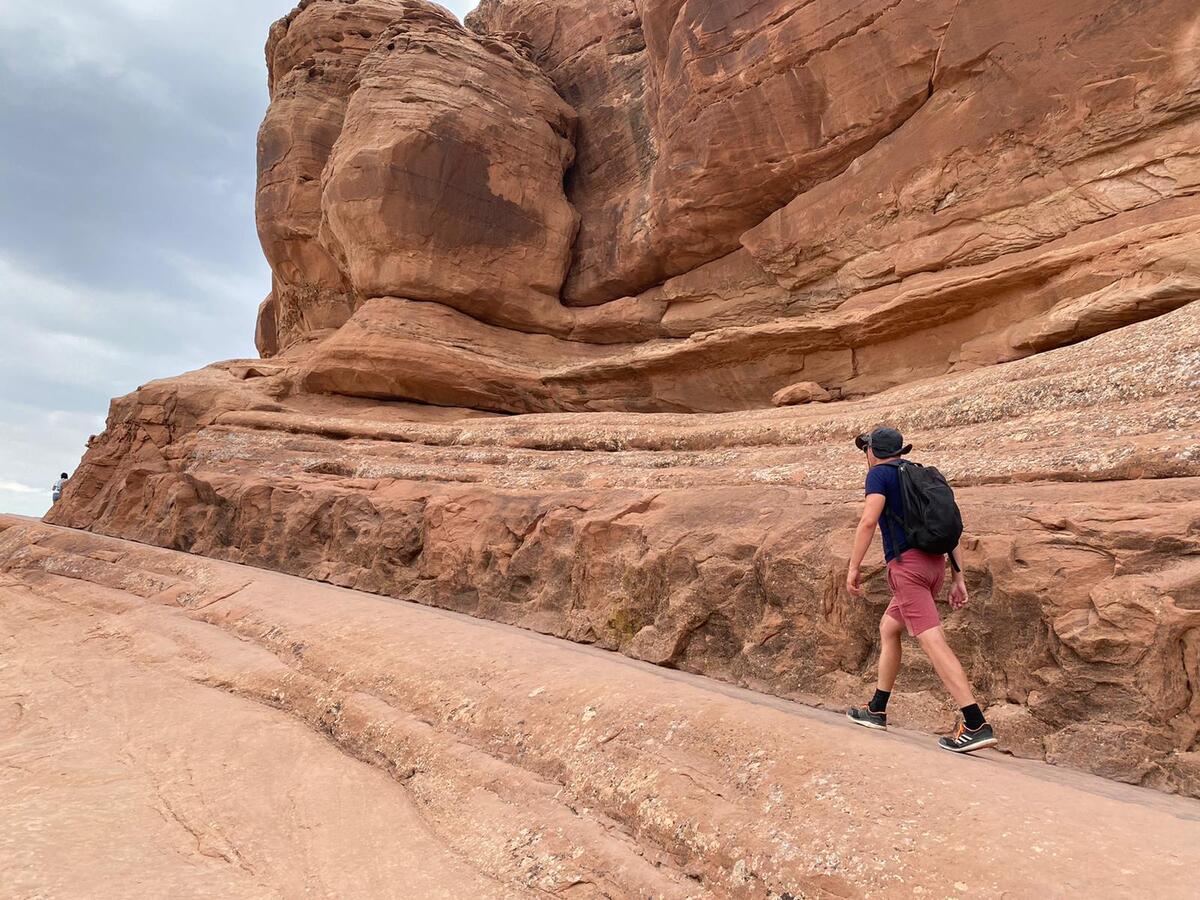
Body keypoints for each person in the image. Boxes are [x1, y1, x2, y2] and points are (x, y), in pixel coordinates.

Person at [844, 427, 997, 753]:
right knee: (889, 627)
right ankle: (877, 709)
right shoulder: (920, 475)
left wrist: (854, 567)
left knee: (933, 641)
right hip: (934, 566)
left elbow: (868, 521)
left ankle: (974, 723)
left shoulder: (879, 476)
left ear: (872, 451)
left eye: (866, 451)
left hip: (908, 571)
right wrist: (957, 577)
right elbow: (951, 528)